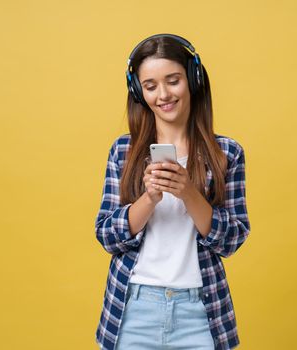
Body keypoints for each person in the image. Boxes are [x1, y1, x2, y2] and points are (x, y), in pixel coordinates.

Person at [94, 33, 251, 350]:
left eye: (173, 80)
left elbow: (233, 240)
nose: (163, 94)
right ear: (139, 92)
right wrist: (149, 198)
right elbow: (107, 237)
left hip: (201, 313)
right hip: (132, 310)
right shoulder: (123, 151)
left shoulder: (226, 153)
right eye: (150, 86)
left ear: (192, 79)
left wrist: (189, 193)